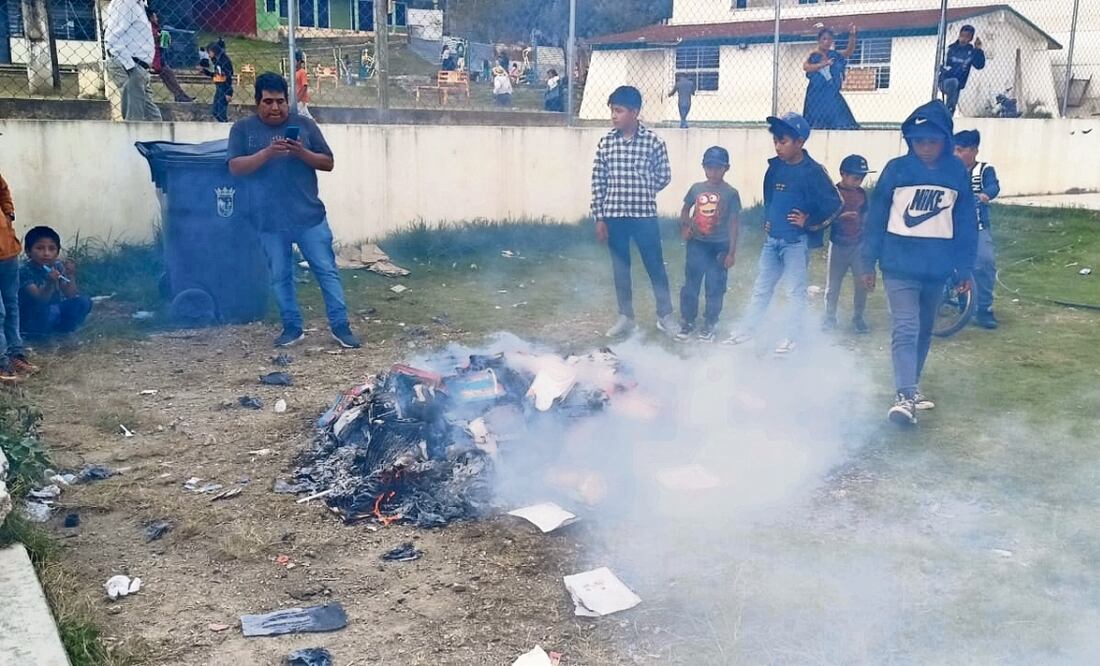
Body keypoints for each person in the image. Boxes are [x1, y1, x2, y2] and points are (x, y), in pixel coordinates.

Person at [861, 100, 977, 426]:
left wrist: (963, 268)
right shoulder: (896, 170)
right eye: (918, 140)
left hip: (937, 269)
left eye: (932, 140)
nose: (925, 147)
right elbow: (877, 218)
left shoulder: (955, 172)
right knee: (906, 327)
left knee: (924, 331)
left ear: (946, 141)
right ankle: (904, 396)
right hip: (898, 266)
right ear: (909, 139)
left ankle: (911, 388)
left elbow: (965, 222)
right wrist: (868, 262)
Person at [227, 73, 361, 350]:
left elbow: (328, 163)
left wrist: (301, 153)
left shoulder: (305, 125)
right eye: (268, 102)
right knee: (280, 276)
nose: (275, 108)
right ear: (256, 102)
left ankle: (340, 326)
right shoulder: (242, 129)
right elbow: (235, 168)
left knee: (326, 271)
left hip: (308, 217)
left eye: (280, 102)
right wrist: (267, 154)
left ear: (288, 101)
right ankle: (292, 327)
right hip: (267, 220)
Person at [724, 112, 841, 354]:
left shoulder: (813, 171)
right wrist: (769, 220)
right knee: (762, 287)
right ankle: (748, 329)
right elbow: (770, 198)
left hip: (795, 243)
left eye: (783, 141)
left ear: (800, 142)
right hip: (772, 241)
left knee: (794, 291)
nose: (778, 146)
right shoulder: (774, 168)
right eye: (775, 140)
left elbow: (835, 202)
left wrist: (809, 222)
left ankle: (792, 336)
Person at [591, 85, 676, 338]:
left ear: (635, 112)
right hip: (614, 216)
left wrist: (643, 189)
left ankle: (665, 315)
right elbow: (598, 181)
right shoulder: (606, 143)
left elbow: (664, 176)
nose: (614, 116)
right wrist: (600, 217)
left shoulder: (653, 142)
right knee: (621, 268)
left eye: (619, 111)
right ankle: (626, 317)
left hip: (644, 216)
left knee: (655, 266)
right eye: (612, 111)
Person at [676, 146, 741, 342]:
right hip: (697, 244)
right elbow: (685, 209)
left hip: (719, 247)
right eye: (709, 167)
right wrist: (685, 227)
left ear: (726, 168)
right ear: (703, 167)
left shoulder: (731, 193)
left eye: (717, 168)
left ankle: (710, 323)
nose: (713, 172)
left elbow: (734, 223)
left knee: (715, 286)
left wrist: (731, 252)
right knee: (691, 285)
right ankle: (688, 322)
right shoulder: (696, 188)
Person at [823, 154, 875, 334]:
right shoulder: (834, 193)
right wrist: (840, 217)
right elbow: (825, 218)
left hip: (858, 245)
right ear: (843, 174)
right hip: (838, 244)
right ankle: (829, 317)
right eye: (855, 178)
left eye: (861, 178)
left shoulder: (862, 194)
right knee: (834, 284)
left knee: (861, 283)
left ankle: (858, 317)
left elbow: (866, 217)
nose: (858, 182)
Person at [954, 129, 1001, 329]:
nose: (955, 154)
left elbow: (993, 186)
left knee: (985, 261)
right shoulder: (949, 169)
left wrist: (984, 196)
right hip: (951, 226)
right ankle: (959, 299)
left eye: (959, 150)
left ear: (973, 151)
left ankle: (984, 308)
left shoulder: (984, 169)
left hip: (978, 226)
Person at [19, 226, 93, 341]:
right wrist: (50, 284)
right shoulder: (24, 271)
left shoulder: (57, 266)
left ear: (57, 252)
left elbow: (71, 295)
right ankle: (42, 338)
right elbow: (40, 300)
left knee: (83, 301)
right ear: (28, 251)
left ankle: (65, 330)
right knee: (53, 311)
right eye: (39, 248)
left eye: (52, 249)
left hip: (53, 312)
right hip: (32, 318)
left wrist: (71, 274)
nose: (46, 253)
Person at [103, 0, 162, 121]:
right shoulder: (126, 3)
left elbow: (134, 34)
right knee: (136, 119)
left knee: (153, 118)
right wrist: (130, 67)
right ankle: (133, 139)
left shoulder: (140, 5)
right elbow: (112, 38)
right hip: (131, 65)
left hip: (140, 67)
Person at [0, 176, 35, 379]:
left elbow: (3, 189)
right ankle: (1, 362)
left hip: (8, 252)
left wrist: (8, 214)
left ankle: (16, 354)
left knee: (12, 305)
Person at [802, 26, 859, 130]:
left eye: (829, 39)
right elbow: (806, 67)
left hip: (830, 90)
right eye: (824, 39)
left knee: (840, 115)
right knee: (816, 121)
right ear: (819, 40)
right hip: (816, 92)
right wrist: (823, 64)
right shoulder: (814, 55)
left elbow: (848, 52)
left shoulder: (833, 55)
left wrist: (852, 36)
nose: (827, 42)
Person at [146, 7, 193, 103]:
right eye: (155, 17)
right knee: (169, 76)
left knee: (168, 76)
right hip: (155, 58)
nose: (157, 19)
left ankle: (180, 95)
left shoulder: (154, 27)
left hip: (157, 58)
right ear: (151, 18)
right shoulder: (150, 28)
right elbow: (154, 40)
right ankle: (180, 95)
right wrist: (160, 38)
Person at [939, 26, 985, 116]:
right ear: (959, 35)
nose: (964, 39)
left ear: (971, 38)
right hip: (945, 81)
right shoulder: (951, 49)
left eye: (967, 37)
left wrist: (978, 50)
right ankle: (947, 110)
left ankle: (947, 115)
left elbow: (979, 65)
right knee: (953, 83)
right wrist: (948, 70)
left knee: (951, 108)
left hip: (958, 85)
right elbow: (941, 65)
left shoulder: (971, 52)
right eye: (962, 36)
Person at [199, 39, 234, 122]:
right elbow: (215, 75)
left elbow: (228, 77)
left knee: (221, 113)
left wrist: (228, 92)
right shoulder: (217, 61)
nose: (208, 55)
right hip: (219, 87)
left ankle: (224, 126)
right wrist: (204, 71)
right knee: (215, 112)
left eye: (209, 52)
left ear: (214, 51)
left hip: (224, 88)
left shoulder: (224, 61)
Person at [294, 52, 313, 119]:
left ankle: (313, 124)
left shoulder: (302, 72)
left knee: (303, 114)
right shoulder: (294, 72)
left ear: (299, 61)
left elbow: (304, 86)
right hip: (295, 98)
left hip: (301, 100)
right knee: (302, 114)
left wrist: (298, 98)